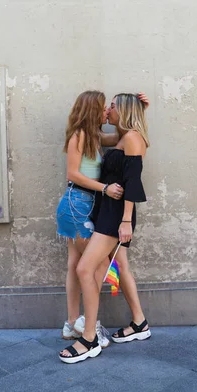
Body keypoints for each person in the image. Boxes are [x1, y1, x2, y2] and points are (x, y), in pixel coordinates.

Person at [59, 93, 150, 364]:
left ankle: (88, 337)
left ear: (122, 111)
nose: (108, 110)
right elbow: (97, 144)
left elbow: (133, 183)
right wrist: (140, 111)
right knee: (117, 267)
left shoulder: (131, 138)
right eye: (105, 106)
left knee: (86, 268)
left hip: (114, 216)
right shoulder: (120, 137)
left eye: (112, 106)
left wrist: (125, 221)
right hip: (104, 210)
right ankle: (138, 322)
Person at [56, 90, 123, 348]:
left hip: (84, 205)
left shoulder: (94, 136)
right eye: (104, 107)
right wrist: (104, 188)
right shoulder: (80, 135)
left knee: (77, 264)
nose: (108, 111)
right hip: (77, 205)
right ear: (93, 109)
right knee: (97, 265)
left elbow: (123, 136)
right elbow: (72, 174)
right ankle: (89, 326)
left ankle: (72, 323)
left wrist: (139, 111)